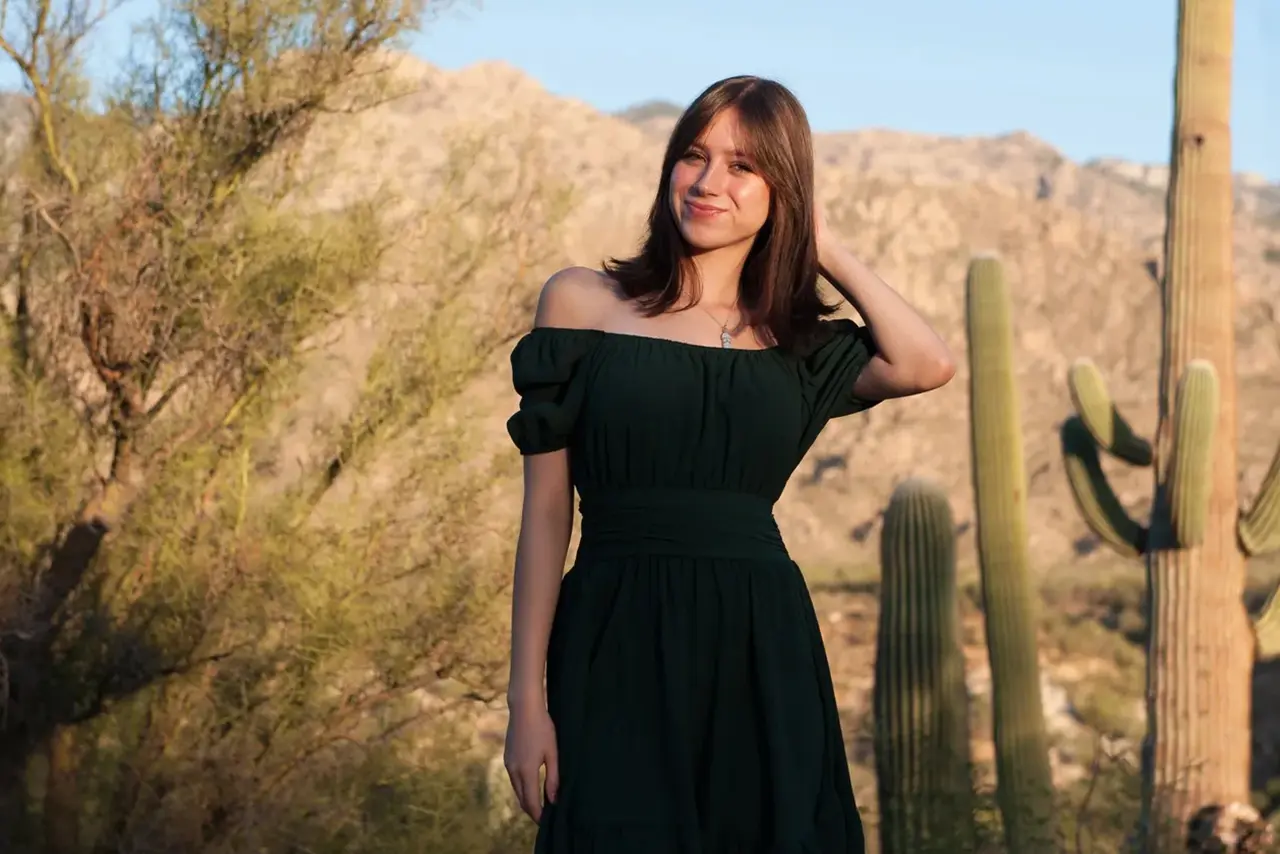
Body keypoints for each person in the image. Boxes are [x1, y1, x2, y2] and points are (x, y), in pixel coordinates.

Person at [502, 74, 954, 853]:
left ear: (786, 189)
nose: (709, 182)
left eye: (744, 166)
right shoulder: (581, 303)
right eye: (693, 156)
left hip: (759, 646)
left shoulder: (798, 347)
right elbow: (546, 515)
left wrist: (824, 244)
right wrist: (525, 704)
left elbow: (924, 362)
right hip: (615, 639)